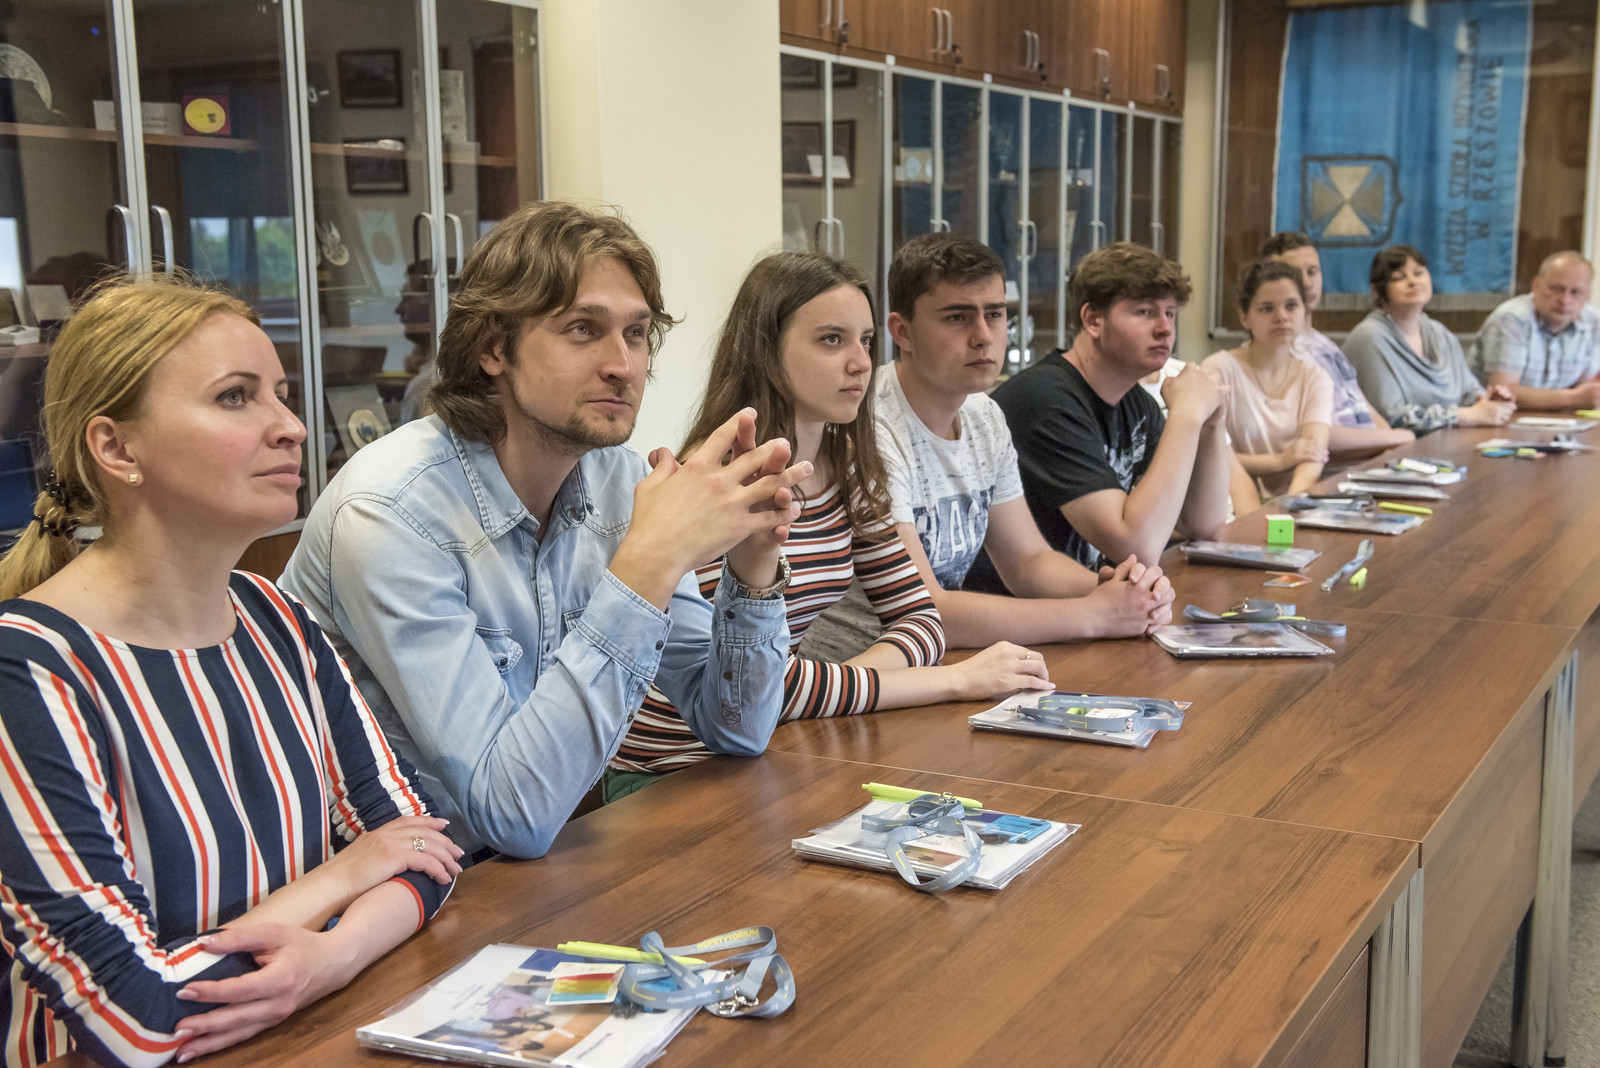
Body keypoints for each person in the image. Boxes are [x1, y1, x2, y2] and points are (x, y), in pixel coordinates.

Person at [0, 278, 460, 1067]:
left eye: (280, 394)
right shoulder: (29, 671)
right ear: (117, 449)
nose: (292, 426)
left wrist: (333, 956)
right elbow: (138, 1018)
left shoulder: (275, 616)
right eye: (236, 397)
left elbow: (427, 849)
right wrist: (341, 880)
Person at [281, 203, 807, 860]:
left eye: (637, 333)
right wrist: (650, 561)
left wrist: (754, 567)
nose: (624, 365)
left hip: (515, 872)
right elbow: (512, 814)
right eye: (583, 329)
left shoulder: (619, 482)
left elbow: (737, 729)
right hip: (369, 889)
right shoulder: (391, 510)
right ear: (493, 349)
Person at [607, 252, 1051, 790]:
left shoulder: (849, 468)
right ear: (768, 351)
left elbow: (921, 621)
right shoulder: (718, 480)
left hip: (775, 744)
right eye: (832, 340)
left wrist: (838, 685)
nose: (861, 363)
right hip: (671, 770)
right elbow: (751, 684)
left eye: (866, 340)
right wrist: (956, 681)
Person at [869, 232, 1173, 649]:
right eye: (957, 317)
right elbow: (923, 610)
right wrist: (1096, 614)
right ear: (902, 332)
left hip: (937, 660)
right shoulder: (871, 426)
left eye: (994, 314)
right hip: (865, 664)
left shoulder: (983, 415)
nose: (983, 335)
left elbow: (1028, 563)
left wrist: (1120, 591)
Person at [982, 242, 1232, 574]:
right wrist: (1186, 415)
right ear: (1093, 320)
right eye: (1144, 312)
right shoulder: (1045, 400)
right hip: (1025, 602)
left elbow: (1203, 525)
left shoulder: (1137, 404)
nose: (1165, 328)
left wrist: (1212, 423)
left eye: (1170, 313)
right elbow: (1137, 545)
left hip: (1091, 597)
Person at [1259, 231, 1414, 460]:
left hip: (1372, 459)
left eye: (1313, 271)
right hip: (1334, 470)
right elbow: (1312, 437)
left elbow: (1363, 407)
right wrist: (1393, 439)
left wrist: (1393, 443)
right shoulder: (1275, 351)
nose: (1307, 283)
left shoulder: (1324, 343)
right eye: (1294, 274)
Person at [1344, 245, 1516, 434]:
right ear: (1377, 290)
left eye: (1418, 273)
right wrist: (1465, 416)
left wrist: (1488, 401)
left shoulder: (1439, 333)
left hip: (1451, 439)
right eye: (1399, 277)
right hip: (1400, 446)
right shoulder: (1368, 337)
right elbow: (1392, 418)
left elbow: (1468, 391)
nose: (1413, 282)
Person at [1201, 260, 1333, 500]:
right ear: (1244, 317)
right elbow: (1211, 457)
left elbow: (1313, 457)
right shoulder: (1217, 371)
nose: (1281, 317)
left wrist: (1290, 506)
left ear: (1304, 311)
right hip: (1229, 504)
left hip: (1294, 501)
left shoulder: (1316, 377)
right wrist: (1280, 461)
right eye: (1266, 308)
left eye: (1291, 306)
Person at [1471, 251, 1600, 411]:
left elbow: (1586, 388)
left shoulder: (1594, 322)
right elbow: (1502, 392)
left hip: (1561, 419)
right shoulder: (1511, 319)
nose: (1565, 300)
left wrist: (1582, 397)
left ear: (1588, 295)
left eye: (1576, 292)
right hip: (1497, 418)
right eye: (1556, 289)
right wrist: (1572, 399)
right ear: (1536, 285)